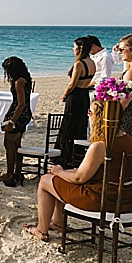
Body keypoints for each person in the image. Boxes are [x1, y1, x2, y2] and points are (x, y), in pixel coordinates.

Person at [23, 101, 132, 241]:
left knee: (45, 181)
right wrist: (67, 172)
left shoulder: (101, 145)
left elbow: (80, 178)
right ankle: (58, 223)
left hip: (101, 199)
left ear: (99, 117)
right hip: (125, 201)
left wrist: (59, 171)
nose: (89, 115)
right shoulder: (129, 140)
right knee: (64, 177)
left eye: (91, 112)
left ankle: (41, 229)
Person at [53, 36, 95, 166]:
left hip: (76, 95)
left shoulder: (79, 64)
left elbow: (72, 84)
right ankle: (77, 154)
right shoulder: (91, 62)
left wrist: (64, 95)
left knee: (69, 124)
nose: (73, 49)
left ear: (80, 48)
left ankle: (65, 156)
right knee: (80, 124)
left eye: (74, 47)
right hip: (84, 94)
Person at [0, 57, 33, 187]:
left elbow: (20, 104)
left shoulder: (18, 82)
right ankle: (17, 171)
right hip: (25, 113)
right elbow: (16, 101)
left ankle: (9, 173)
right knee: (17, 144)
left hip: (20, 114)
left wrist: (12, 120)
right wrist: (7, 114)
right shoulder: (25, 79)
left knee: (9, 144)